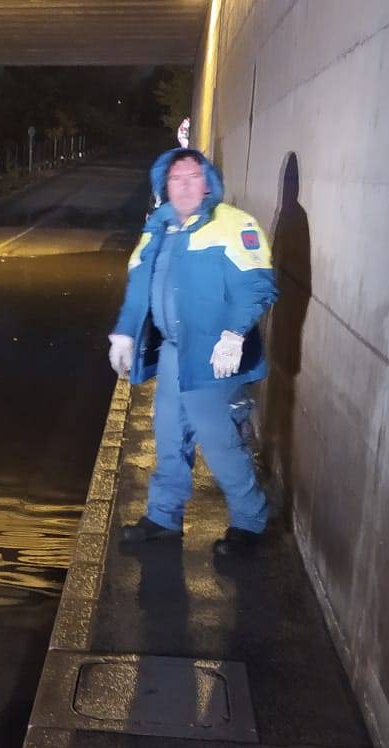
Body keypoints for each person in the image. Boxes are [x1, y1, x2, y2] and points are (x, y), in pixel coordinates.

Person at [107, 148, 278, 556]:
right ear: (163, 184)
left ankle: (250, 521)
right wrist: (125, 333)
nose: (184, 186)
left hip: (213, 354)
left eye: (192, 177)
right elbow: (139, 286)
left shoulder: (234, 225)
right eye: (175, 178)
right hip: (171, 351)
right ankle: (164, 517)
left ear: (208, 183)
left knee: (218, 442)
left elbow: (257, 286)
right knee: (168, 436)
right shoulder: (157, 228)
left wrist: (235, 334)